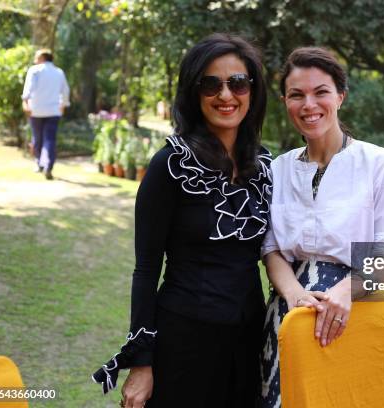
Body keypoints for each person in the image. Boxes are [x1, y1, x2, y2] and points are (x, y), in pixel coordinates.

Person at [92, 33, 271, 408]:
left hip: (248, 340)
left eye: (237, 83)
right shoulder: (170, 165)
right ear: (194, 92)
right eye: (211, 84)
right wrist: (141, 362)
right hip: (185, 338)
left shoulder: (266, 165)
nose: (226, 95)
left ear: (252, 90)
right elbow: (145, 270)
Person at [259, 47, 384, 407]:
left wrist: (345, 290)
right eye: (297, 95)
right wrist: (294, 295)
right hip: (288, 315)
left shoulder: (378, 163)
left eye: (321, 91)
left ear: (340, 96)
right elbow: (270, 248)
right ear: (286, 102)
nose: (309, 104)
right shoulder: (277, 169)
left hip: (359, 313)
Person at [21, 49, 70, 180]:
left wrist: (25, 102)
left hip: (36, 110)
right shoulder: (59, 72)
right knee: (50, 139)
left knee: (38, 138)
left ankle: (39, 163)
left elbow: (28, 89)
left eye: (36, 57)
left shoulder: (35, 70)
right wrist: (63, 105)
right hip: (54, 111)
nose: (35, 60)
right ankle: (48, 165)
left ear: (43, 58)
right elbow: (65, 90)